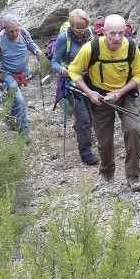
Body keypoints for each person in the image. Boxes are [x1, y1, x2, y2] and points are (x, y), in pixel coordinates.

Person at [67, 14, 140, 190]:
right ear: (103, 32)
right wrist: (89, 93)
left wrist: (121, 91)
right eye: (112, 34)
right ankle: (107, 172)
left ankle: (133, 176)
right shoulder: (91, 48)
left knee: (133, 129)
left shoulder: (131, 47)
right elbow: (74, 71)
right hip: (100, 97)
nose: (117, 38)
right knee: (104, 138)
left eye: (121, 33)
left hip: (125, 94)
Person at [50, 9, 98, 165]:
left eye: (84, 27)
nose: (81, 31)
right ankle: (86, 153)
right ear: (71, 26)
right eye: (78, 27)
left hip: (89, 79)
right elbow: (54, 62)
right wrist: (61, 70)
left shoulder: (91, 33)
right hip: (71, 82)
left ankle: (80, 129)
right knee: (83, 117)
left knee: (90, 117)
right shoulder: (64, 39)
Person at [0, 14, 43, 135]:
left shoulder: (23, 33)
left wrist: (36, 50)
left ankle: (11, 119)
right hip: (6, 73)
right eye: (10, 31)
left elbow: (31, 44)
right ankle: (23, 132)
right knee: (19, 99)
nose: (14, 33)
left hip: (22, 72)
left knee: (14, 98)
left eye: (16, 30)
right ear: (5, 30)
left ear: (19, 27)